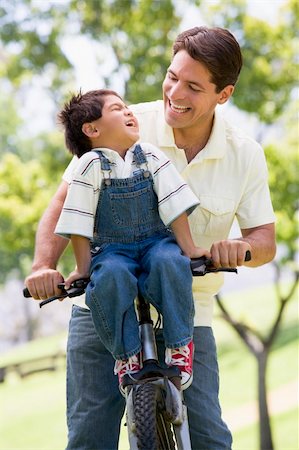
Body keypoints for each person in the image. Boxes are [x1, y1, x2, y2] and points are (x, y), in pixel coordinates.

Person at [25, 26, 276, 450]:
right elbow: (66, 204)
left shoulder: (243, 154)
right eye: (172, 76)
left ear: (224, 94)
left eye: (193, 86)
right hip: (106, 295)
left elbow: (265, 240)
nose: (174, 91)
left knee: (211, 438)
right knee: (88, 436)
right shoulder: (125, 123)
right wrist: (43, 266)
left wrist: (242, 248)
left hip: (186, 301)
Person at [54, 88, 209, 392]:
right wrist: (82, 269)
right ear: (92, 129)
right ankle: (126, 356)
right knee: (109, 276)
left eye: (127, 107)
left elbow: (174, 204)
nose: (128, 112)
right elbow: (79, 221)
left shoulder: (149, 155)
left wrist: (189, 249)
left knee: (169, 262)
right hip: (113, 250)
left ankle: (179, 347)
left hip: (155, 241)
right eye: (117, 108)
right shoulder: (88, 167)